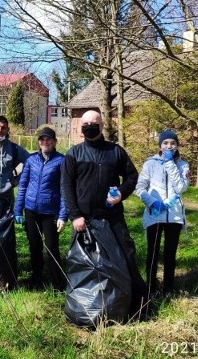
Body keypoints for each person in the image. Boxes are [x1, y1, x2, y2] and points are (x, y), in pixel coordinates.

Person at [61, 109, 148, 316]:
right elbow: (66, 187)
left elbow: (132, 177)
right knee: (84, 263)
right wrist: (75, 215)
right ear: (81, 128)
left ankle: (138, 304)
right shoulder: (74, 154)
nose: (89, 127)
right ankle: (84, 308)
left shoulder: (115, 152)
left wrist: (121, 193)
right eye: (85, 124)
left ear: (102, 126)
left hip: (112, 218)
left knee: (126, 256)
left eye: (94, 123)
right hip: (84, 220)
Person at [135, 129, 190, 297]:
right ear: (160, 145)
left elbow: (182, 187)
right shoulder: (150, 163)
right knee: (153, 252)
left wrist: (170, 164)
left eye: (173, 143)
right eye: (165, 143)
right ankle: (150, 288)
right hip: (155, 214)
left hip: (174, 215)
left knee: (170, 253)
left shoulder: (183, 165)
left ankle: (168, 288)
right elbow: (140, 187)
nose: (169, 146)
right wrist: (152, 202)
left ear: (177, 145)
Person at [13, 127, 68, 291]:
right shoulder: (31, 160)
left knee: (51, 248)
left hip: (50, 211)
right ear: (39, 142)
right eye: (42, 140)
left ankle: (57, 282)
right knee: (34, 246)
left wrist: (63, 215)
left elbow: (65, 189)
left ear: (55, 142)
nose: (45, 142)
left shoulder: (61, 161)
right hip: (31, 211)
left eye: (49, 139)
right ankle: (36, 278)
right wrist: (18, 210)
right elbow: (23, 185)